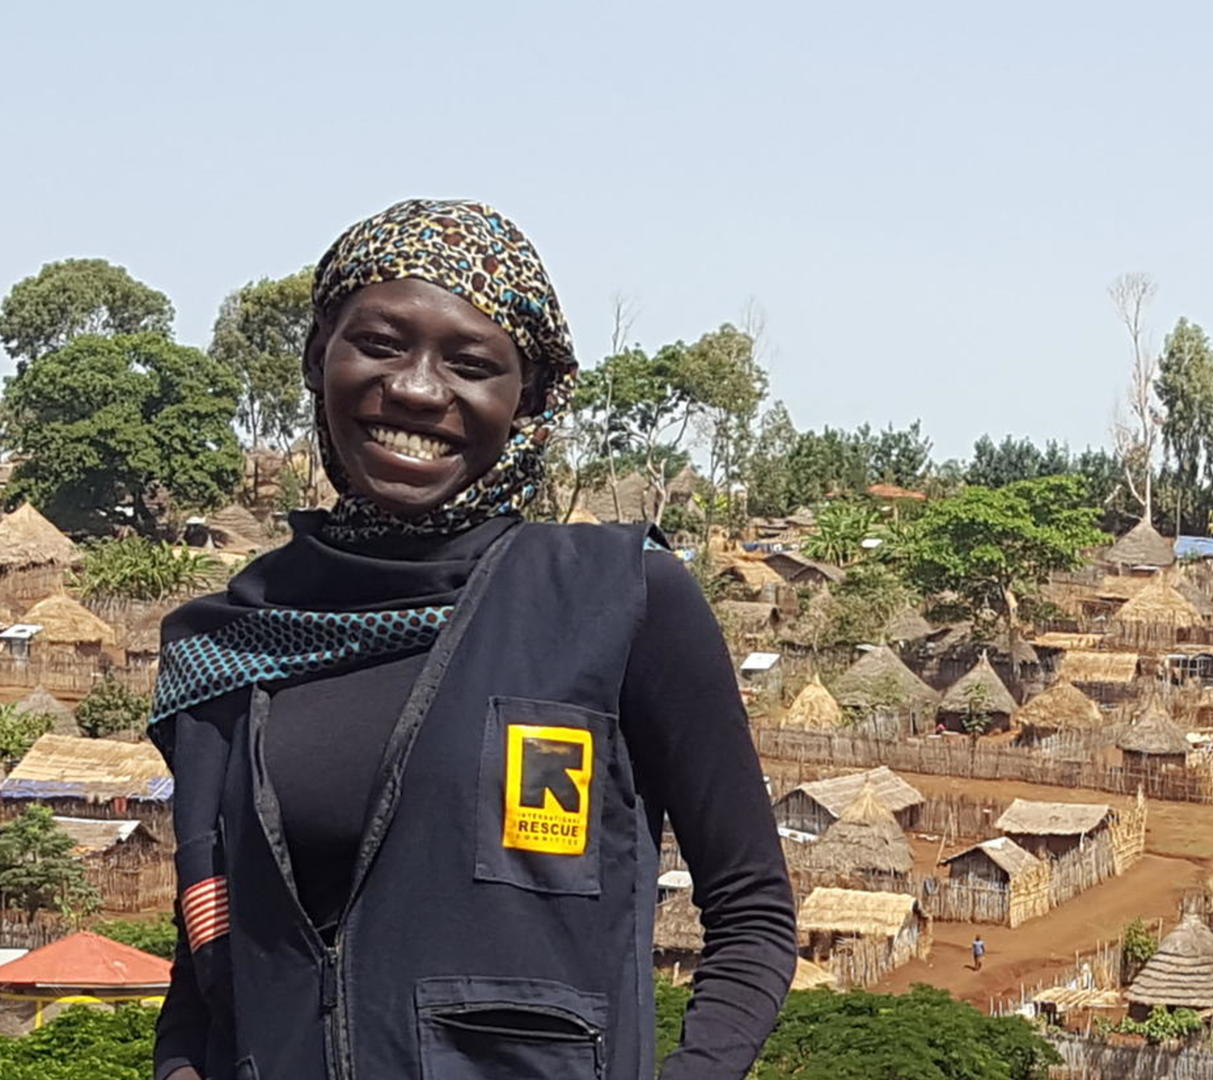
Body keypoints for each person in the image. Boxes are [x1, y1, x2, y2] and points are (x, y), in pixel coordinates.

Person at [149, 201, 795, 1080]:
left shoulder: (618, 597)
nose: (415, 389)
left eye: (470, 364)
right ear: (317, 358)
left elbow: (751, 910)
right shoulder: (240, 641)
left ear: (526, 400)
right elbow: (213, 955)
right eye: (379, 343)